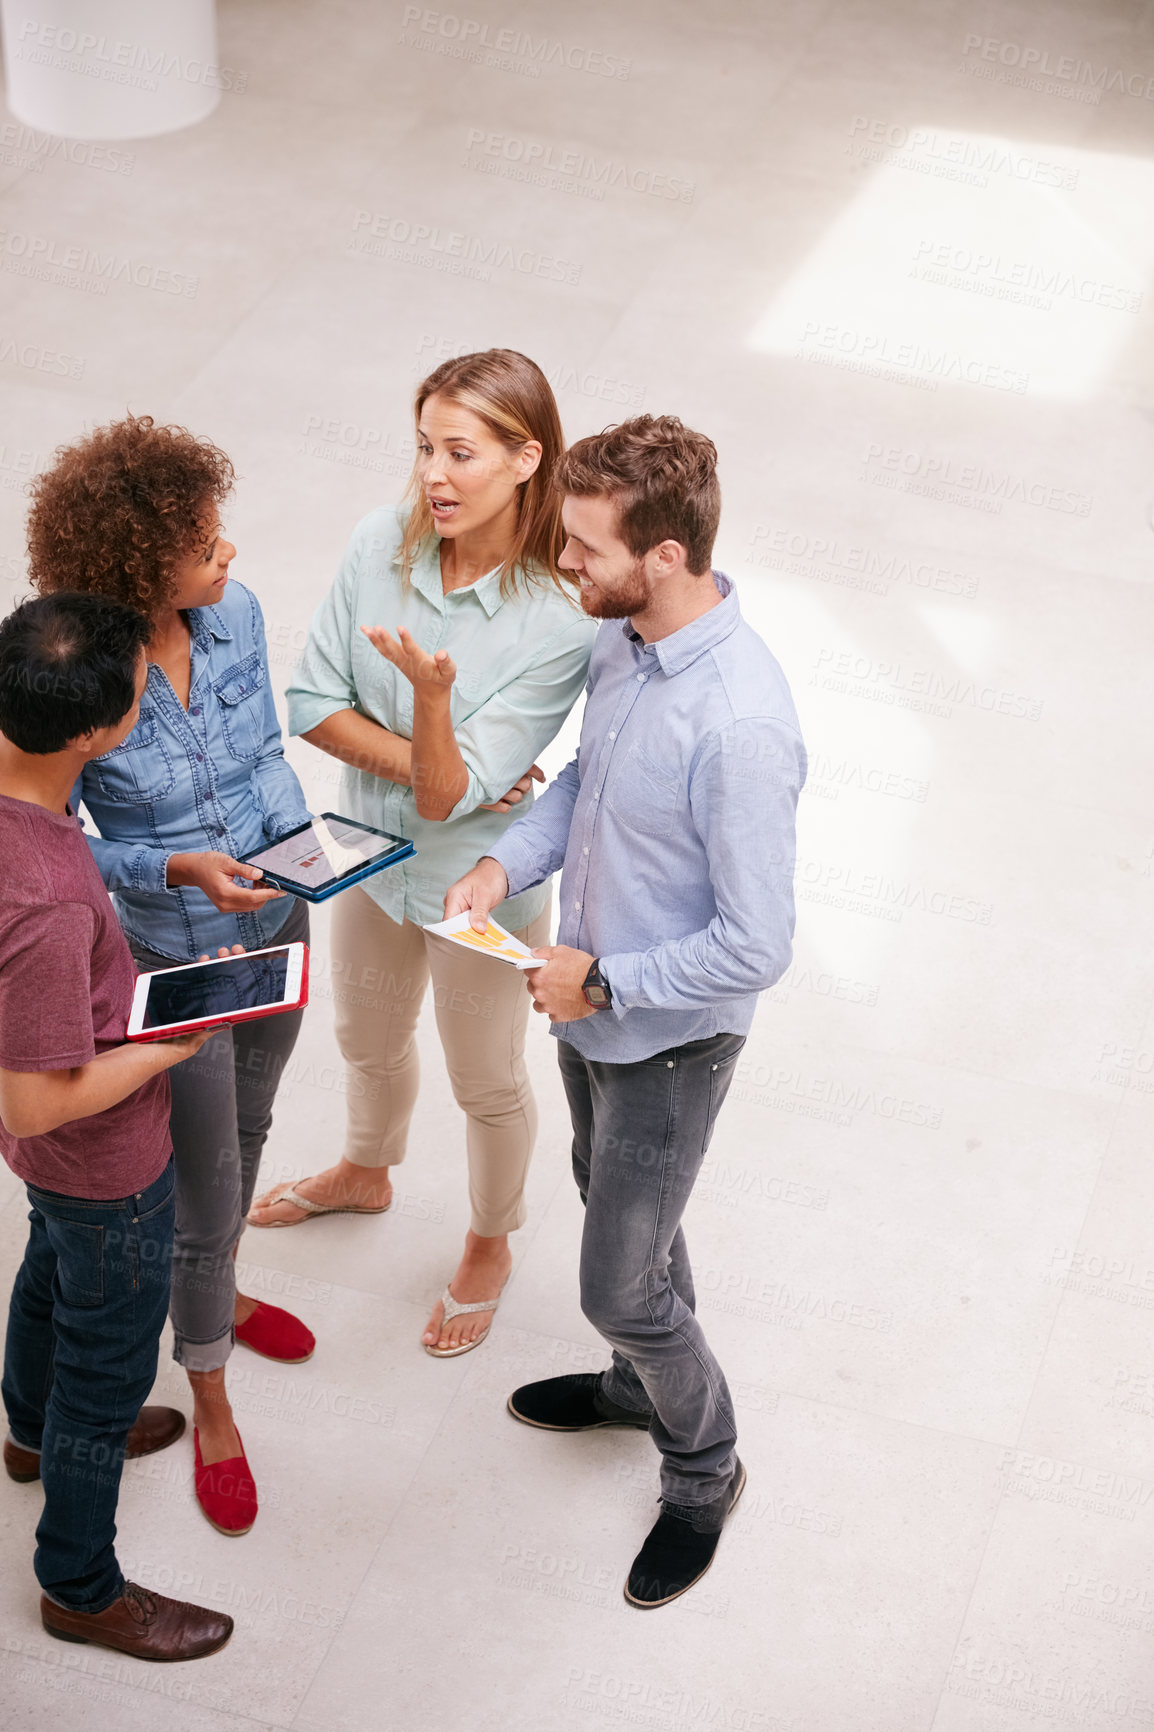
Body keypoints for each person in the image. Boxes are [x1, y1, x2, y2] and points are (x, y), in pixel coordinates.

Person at [444, 415, 806, 1608]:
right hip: (584, 1008)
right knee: (615, 1205)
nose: (567, 567)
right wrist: (504, 866)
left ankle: (702, 1465)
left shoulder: (741, 724)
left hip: (666, 1039)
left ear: (663, 553)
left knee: (616, 1283)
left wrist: (600, 980)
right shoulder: (623, 642)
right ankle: (631, 1384)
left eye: (588, 549)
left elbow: (758, 945)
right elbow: (589, 787)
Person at [248, 349, 596, 1358]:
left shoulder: (556, 619)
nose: (434, 476)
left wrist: (435, 724)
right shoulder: (376, 546)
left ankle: (490, 1240)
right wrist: (437, 759)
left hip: (479, 884)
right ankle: (367, 1168)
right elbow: (311, 705)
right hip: (362, 851)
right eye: (424, 449)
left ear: (526, 459)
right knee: (363, 1034)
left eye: (460, 452)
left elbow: (454, 797)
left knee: (485, 1077)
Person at [26, 415, 315, 1535]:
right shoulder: (88, 676)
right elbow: (63, 842)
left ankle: (221, 1289)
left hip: (278, 919)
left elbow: (265, 755)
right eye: (203, 539)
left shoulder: (233, 616)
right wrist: (175, 866)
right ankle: (207, 1387)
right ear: (142, 565)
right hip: (170, 954)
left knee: (253, 1120)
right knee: (201, 1180)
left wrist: (307, 854)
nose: (229, 554)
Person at [0, 592, 234, 1660]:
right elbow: (36, 1098)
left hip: (54, 1171)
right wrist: (167, 1047)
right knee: (106, 1369)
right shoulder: (43, 898)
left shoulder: (24, 809)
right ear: (93, 735)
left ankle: (26, 1432)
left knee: (50, 1267)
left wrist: (168, 867)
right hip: (100, 1156)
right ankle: (80, 1586)